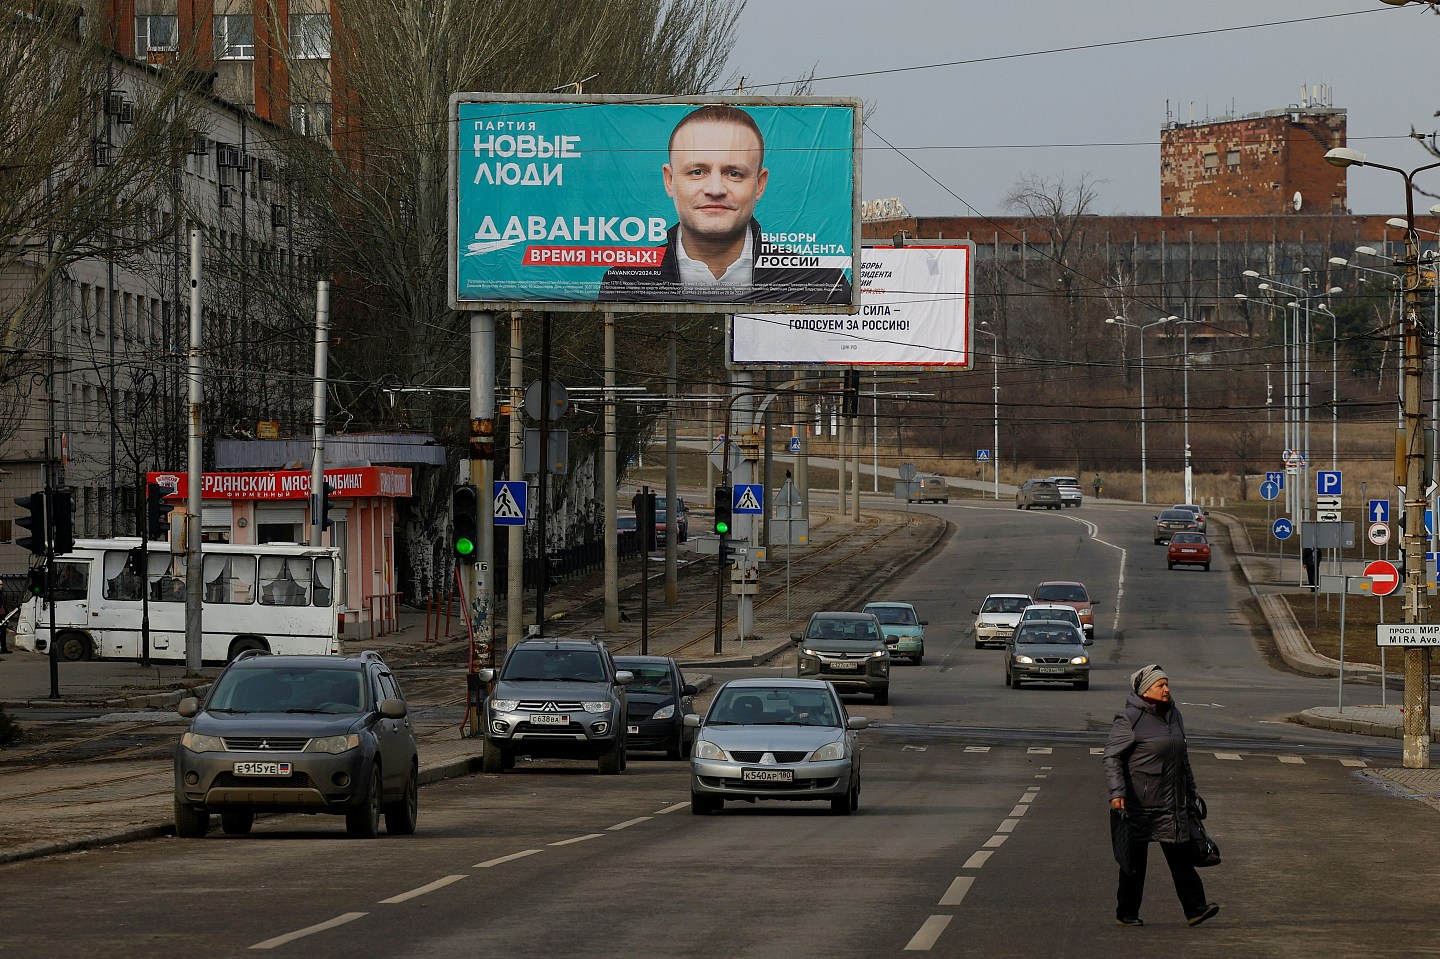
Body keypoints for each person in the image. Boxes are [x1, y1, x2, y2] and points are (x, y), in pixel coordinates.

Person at [598, 104, 852, 305]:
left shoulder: (822, 285)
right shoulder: (625, 282)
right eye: (697, 172)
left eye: (734, 173)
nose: (715, 189)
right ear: (669, 180)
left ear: (760, 184)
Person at [1102, 665, 1220, 928]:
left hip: (1172, 801)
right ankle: (1127, 912)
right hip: (1139, 804)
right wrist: (1117, 793)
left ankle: (1195, 909)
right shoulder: (1129, 718)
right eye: (1160, 685)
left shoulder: (1174, 715)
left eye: (1167, 684)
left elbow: (1181, 755)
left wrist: (1190, 788)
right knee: (1134, 863)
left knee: (1180, 857)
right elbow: (1112, 757)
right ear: (1145, 690)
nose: (1166, 689)